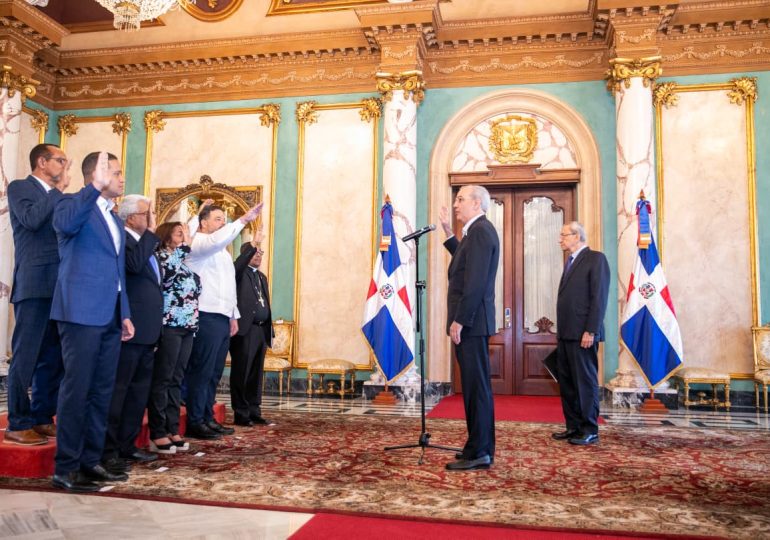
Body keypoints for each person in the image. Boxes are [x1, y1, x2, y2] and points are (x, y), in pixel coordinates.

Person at [50, 151, 134, 492]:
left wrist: (124, 312)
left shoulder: (114, 218)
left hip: (110, 313)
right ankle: (66, 467)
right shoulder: (70, 203)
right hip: (80, 312)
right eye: (115, 172)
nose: (121, 178)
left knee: (102, 391)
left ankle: (90, 460)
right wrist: (92, 189)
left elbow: (118, 270)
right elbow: (65, 226)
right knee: (77, 389)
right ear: (95, 175)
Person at [5, 144, 69, 446]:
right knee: (26, 356)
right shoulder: (21, 187)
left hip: (59, 285)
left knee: (52, 357)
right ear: (42, 162)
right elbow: (31, 220)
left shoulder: (57, 196)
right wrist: (58, 192)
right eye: (61, 161)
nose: (65, 166)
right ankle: (17, 422)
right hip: (34, 284)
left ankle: (42, 416)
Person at [184, 201, 263, 440]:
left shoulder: (222, 253)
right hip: (205, 314)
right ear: (203, 222)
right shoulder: (198, 243)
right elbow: (215, 240)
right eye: (217, 219)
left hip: (222, 316)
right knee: (202, 370)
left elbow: (228, 286)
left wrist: (233, 315)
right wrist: (243, 220)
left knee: (214, 372)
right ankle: (195, 421)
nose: (222, 223)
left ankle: (207, 417)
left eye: (224, 220)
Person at [439, 185, 499, 471]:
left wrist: (460, 319)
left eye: (460, 199)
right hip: (472, 323)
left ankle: (481, 451)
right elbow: (463, 263)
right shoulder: (474, 232)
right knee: (474, 388)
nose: (455, 204)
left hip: (471, 324)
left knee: (477, 389)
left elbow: (475, 282)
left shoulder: (481, 232)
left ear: (477, 203)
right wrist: (448, 233)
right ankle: (476, 446)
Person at [102, 195, 163, 467]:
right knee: (120, 391)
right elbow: (133, 266)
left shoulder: (144, 243)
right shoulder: (124, 240)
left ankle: (128, 444)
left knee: (138, 393)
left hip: (149, 330)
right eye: (146, 213)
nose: (151, 218)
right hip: (130, 327)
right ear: (129, 218)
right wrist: (151, 233)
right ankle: (109, 449)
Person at [553, 221, 610, 446]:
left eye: (564, 235)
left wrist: (591, 330)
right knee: (568, 383)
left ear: (577, 236)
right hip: (566, 333)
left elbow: (599, 298)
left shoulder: (596, 259)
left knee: (584, 382)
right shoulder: (570, 261)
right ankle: (573, 426)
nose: (560, 239)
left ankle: (589, 429)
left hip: (584, 334)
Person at [147, 221, 200, 453]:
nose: (184, 236)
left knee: (177, 378)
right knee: (163, 378)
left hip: (187, 325)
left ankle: (172, 428)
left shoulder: (183, 262)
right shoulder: (160, 257)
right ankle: (158, 431)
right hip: (169, 324)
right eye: (179, 233)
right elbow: (167, 277)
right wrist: (185, 247)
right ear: (166, 236)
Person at [229, 233, 274, 427]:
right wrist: (251, 246)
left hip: (261, 331)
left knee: (256, 373)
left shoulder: (261, 277)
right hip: (244, 331)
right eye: (255, 253)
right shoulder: (239, 273)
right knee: (242, 371)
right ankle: (241, 412)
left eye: (260, 253)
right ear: (246, 254)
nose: (258, 256)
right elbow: (239, 265)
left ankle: (254, 410)